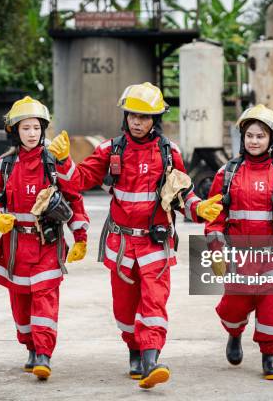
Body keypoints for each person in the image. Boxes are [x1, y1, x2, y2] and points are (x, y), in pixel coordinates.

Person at [48, 82, 223, 389]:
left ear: (155, 119)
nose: (138, 122)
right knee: (125, 308)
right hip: (121, 244)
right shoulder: (110, 150)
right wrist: (64, 162)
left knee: (154, 303)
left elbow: (182, 194)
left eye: (144, 117)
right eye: (133, 116)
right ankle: (134, 349)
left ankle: (151, 360)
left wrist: (199, 209)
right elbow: (78, 182)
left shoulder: (170, 153)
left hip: (156, 244)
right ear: (125, 116)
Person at [204, 104, 273, 380]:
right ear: (242, 138)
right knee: (234, 308)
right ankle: (234, 333)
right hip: (239, 257)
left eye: (260, 136)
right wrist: (217, 250)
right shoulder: (227, 173)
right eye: (250, 135)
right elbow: (214, 215)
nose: (254, 141)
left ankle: (270, 357)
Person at [0, 96, 89, 380]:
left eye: (36, 128)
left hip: (47, 243)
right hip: (15, 245)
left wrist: (80, 237)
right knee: (20, 304)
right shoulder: (3, 164)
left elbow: (74, 195)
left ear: (44, 129)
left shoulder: (55, 161)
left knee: (45, 299)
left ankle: (44, 354)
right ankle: (30, 349)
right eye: (25, 128)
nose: (32, 133)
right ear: (15, 131)